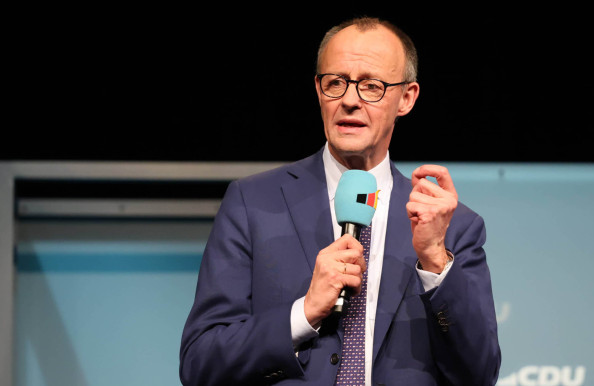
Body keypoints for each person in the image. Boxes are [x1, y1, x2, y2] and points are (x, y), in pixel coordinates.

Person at [180, 16, 500, 385]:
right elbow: (200, 364)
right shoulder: (253, 204)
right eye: (336, 83)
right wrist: (304, 313)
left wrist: (434, 262)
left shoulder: (453, 225)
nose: (349, 100)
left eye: (371, 86)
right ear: (318, 90)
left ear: (406, 98)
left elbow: (479, 374)